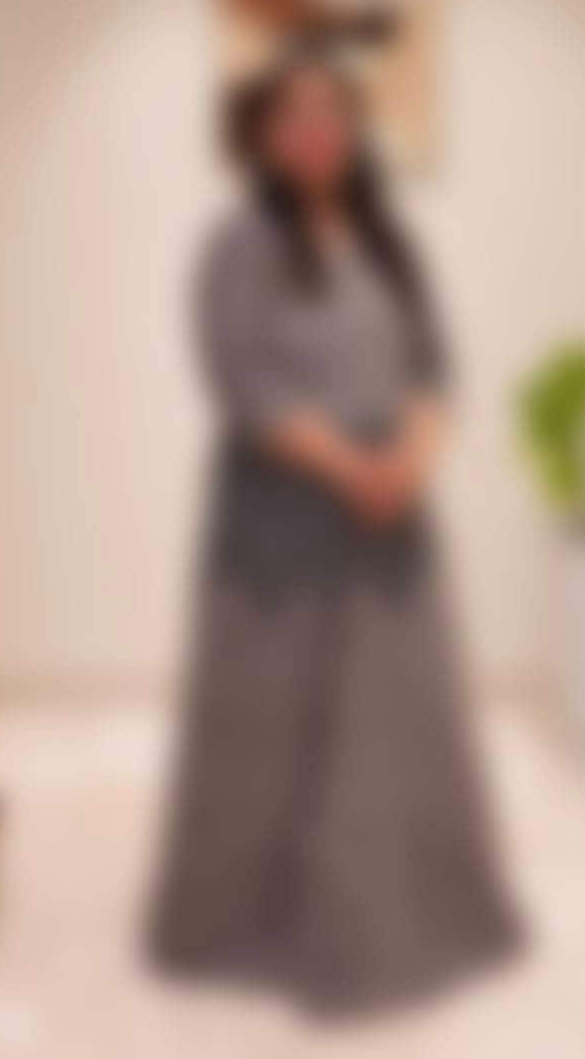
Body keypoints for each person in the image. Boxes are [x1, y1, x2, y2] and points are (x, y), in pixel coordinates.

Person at [147, 51, 523, 1015]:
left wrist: (413, 455)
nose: (316, 131)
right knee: (271, 731)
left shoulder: (390, 242)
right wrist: (351, 469)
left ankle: (407, 922)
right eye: (293, 114)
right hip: (282, 520)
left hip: (390, 516)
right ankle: (255, 931)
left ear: (355, 128)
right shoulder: (238, 246)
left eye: (332, 112)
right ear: (259, 135)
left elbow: (434, 367)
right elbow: (245, 385)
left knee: (394, 724)